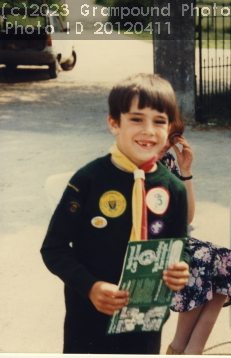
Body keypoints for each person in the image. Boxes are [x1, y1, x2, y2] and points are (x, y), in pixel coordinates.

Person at [40, 74, 191, 354]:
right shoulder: (88, 180)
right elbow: (54, 248)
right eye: (136, 119)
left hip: (144, 324)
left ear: (169, 127)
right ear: (114, 123)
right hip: (87, 322)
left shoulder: (174, 189)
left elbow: (180, 247)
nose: (148, 130)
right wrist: (90, 286)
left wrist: (180, 269)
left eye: (159, 121)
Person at [158, 130, 231, 355]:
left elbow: (187, 218)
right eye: (164, 135)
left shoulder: (167, 161)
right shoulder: (137, 166)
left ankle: (192, 350)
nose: (168, 144)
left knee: (226, 260)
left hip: (175, 238)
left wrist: (186, 171)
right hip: (148, 244)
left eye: (172, 137)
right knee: (202, 259)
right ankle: (179, 348)